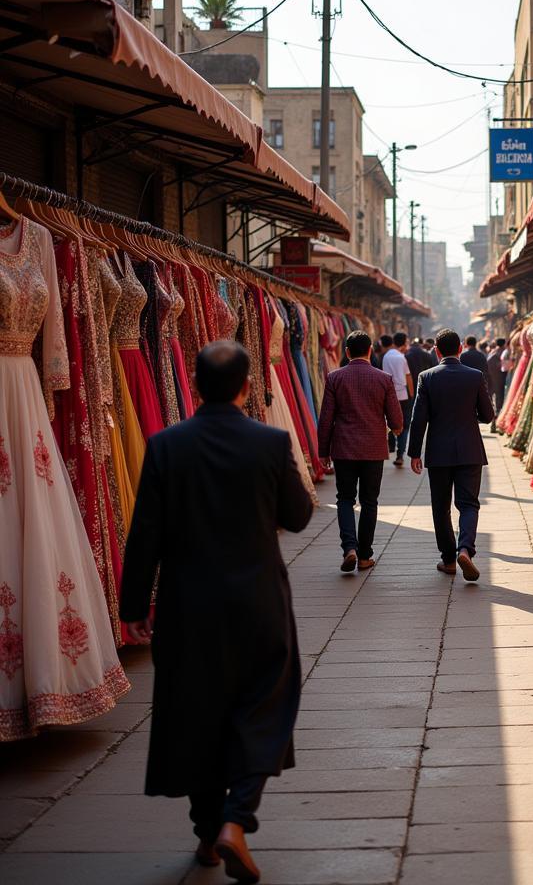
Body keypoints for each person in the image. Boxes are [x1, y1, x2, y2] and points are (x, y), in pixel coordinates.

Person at [119, 341, 313, 884]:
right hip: (258, 603)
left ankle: (207, 831)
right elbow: (297, 518)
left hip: (188, 604)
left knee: (198, 711)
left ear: (196, 386)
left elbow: (145, 537)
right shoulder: (270, 443)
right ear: (247, 386)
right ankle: (236, 820)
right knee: (266, 705)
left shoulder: (165, 446)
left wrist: (133, 605)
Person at [408, 328, 495, 582]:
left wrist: (414, 452)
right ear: (460, 349)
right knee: (468, 504)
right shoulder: (475, 376)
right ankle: (465, 548)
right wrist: (471, 417)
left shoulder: (427, 377)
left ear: (436, 351)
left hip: (438, 452)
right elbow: (488, 415)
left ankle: (448, 559)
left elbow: (418, 418)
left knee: (441, 506)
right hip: (470, 449)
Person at [317, 330, 403, 571]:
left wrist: (323, 450)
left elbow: (326, 418)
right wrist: (396, 428)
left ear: (346, 352)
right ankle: (365, 555)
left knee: (344, 499)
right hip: (373, 449)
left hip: (343, 449)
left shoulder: (335, 378)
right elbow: (396, 418)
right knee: (369, 501)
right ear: (370, 351)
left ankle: (349, 548)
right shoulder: (383, 379)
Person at [382, 332, 415, 467]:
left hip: (389, 395)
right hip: (403, 396)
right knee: (404, 425)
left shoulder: (386, 356)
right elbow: (408, 377)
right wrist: (412, 395)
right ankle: (400, 454)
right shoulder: (401, 357)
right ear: (403, 343)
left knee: (390, 421)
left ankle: (391, 446)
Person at [486, 337, 507, 432]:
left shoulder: (492, 351)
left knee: (495, 402)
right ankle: (496, 424)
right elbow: (502, 364)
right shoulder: (502, 352)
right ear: (503, 344)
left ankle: (494, 424)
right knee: (499, 402)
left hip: (492, 379)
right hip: (499, 379)